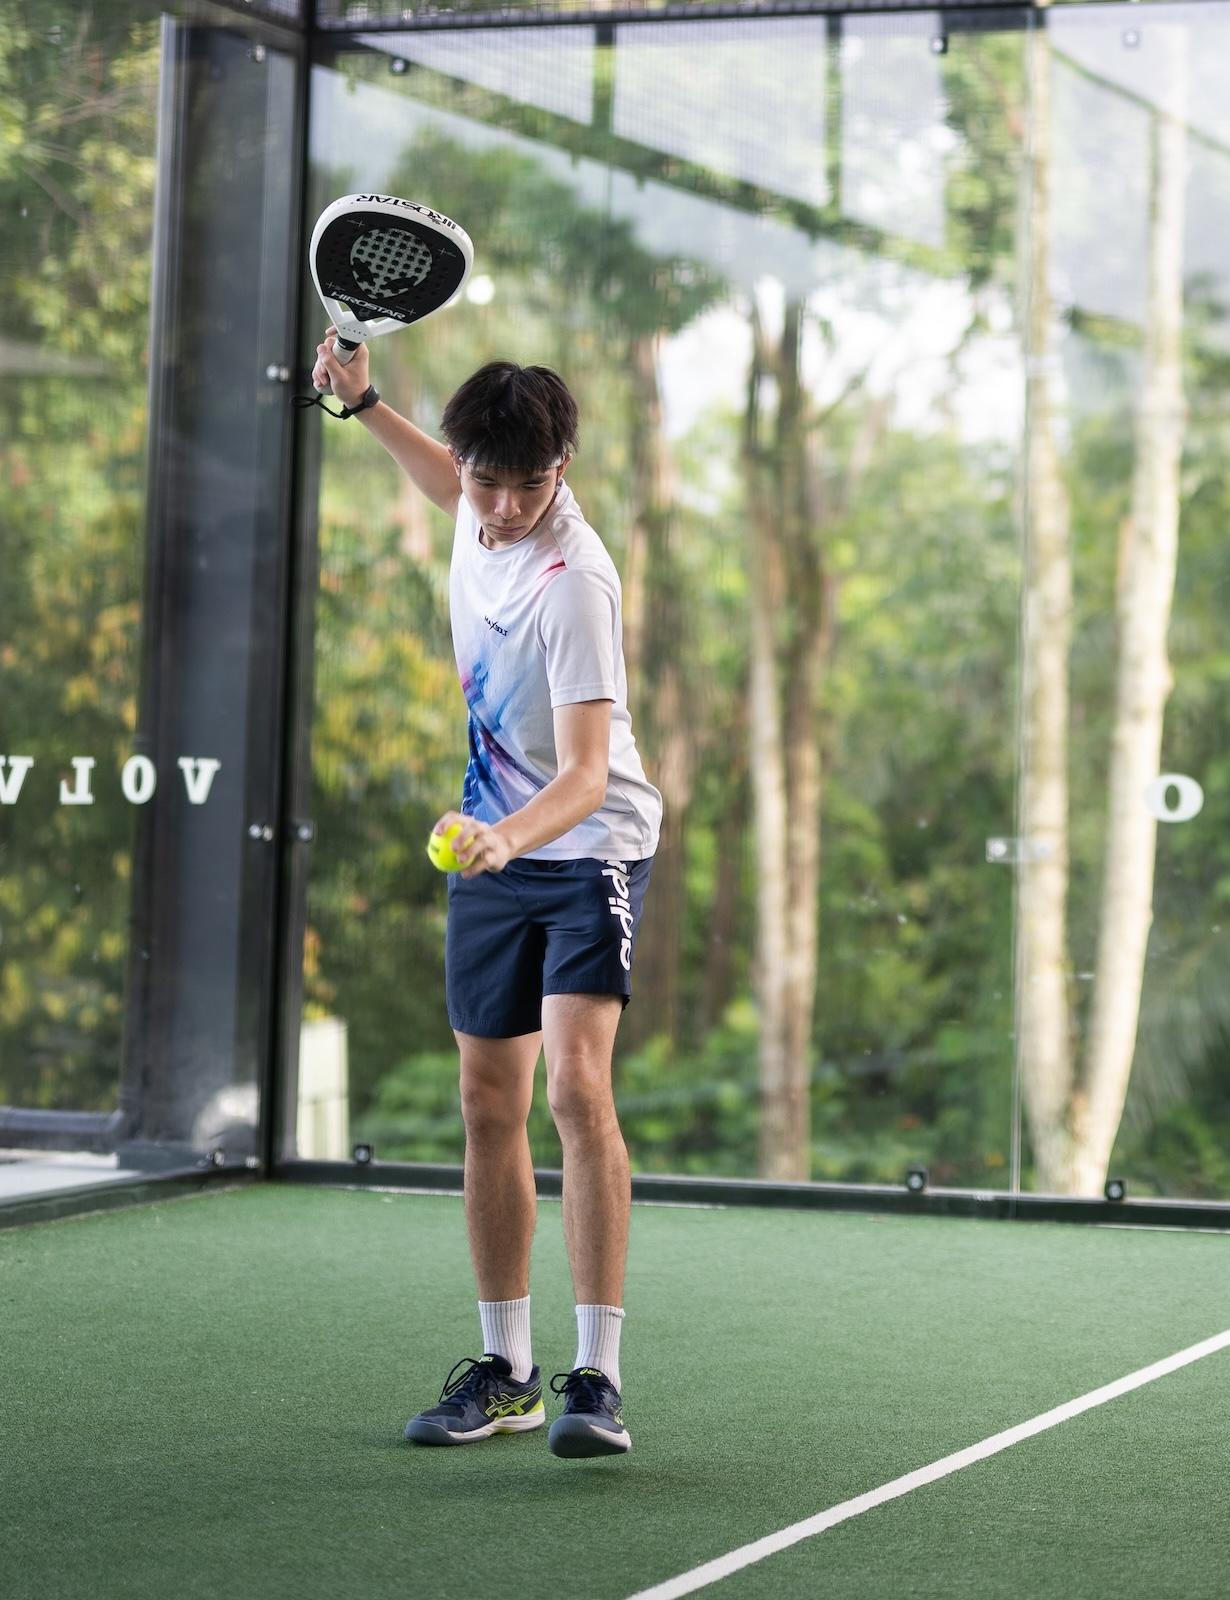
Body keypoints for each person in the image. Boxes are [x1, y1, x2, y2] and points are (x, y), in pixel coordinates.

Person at [311, 328, 662, 1460]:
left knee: (577, 1089)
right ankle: (506, 1372)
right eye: (487, 482)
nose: (504, 510)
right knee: (484, 1099)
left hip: (586, 848)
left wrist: (505, 838)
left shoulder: (576, 582)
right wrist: (364, 401)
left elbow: (588, 776)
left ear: (564, 469)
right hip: (493, 849)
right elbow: (440, 479)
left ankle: (596, 1377)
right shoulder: (473, 500)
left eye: (529, 485)